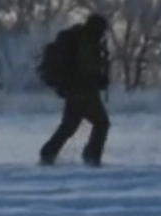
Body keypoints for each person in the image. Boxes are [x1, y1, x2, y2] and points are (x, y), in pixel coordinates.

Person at [38, 13, 112, 167]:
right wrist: (99, 79)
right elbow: (86, 69)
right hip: (84, 91)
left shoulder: (79, 38)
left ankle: (48, 153)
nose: (103, 33)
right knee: (101, 123)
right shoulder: (87, 41)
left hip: (73, 90)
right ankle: (92, 156)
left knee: (68, 126)